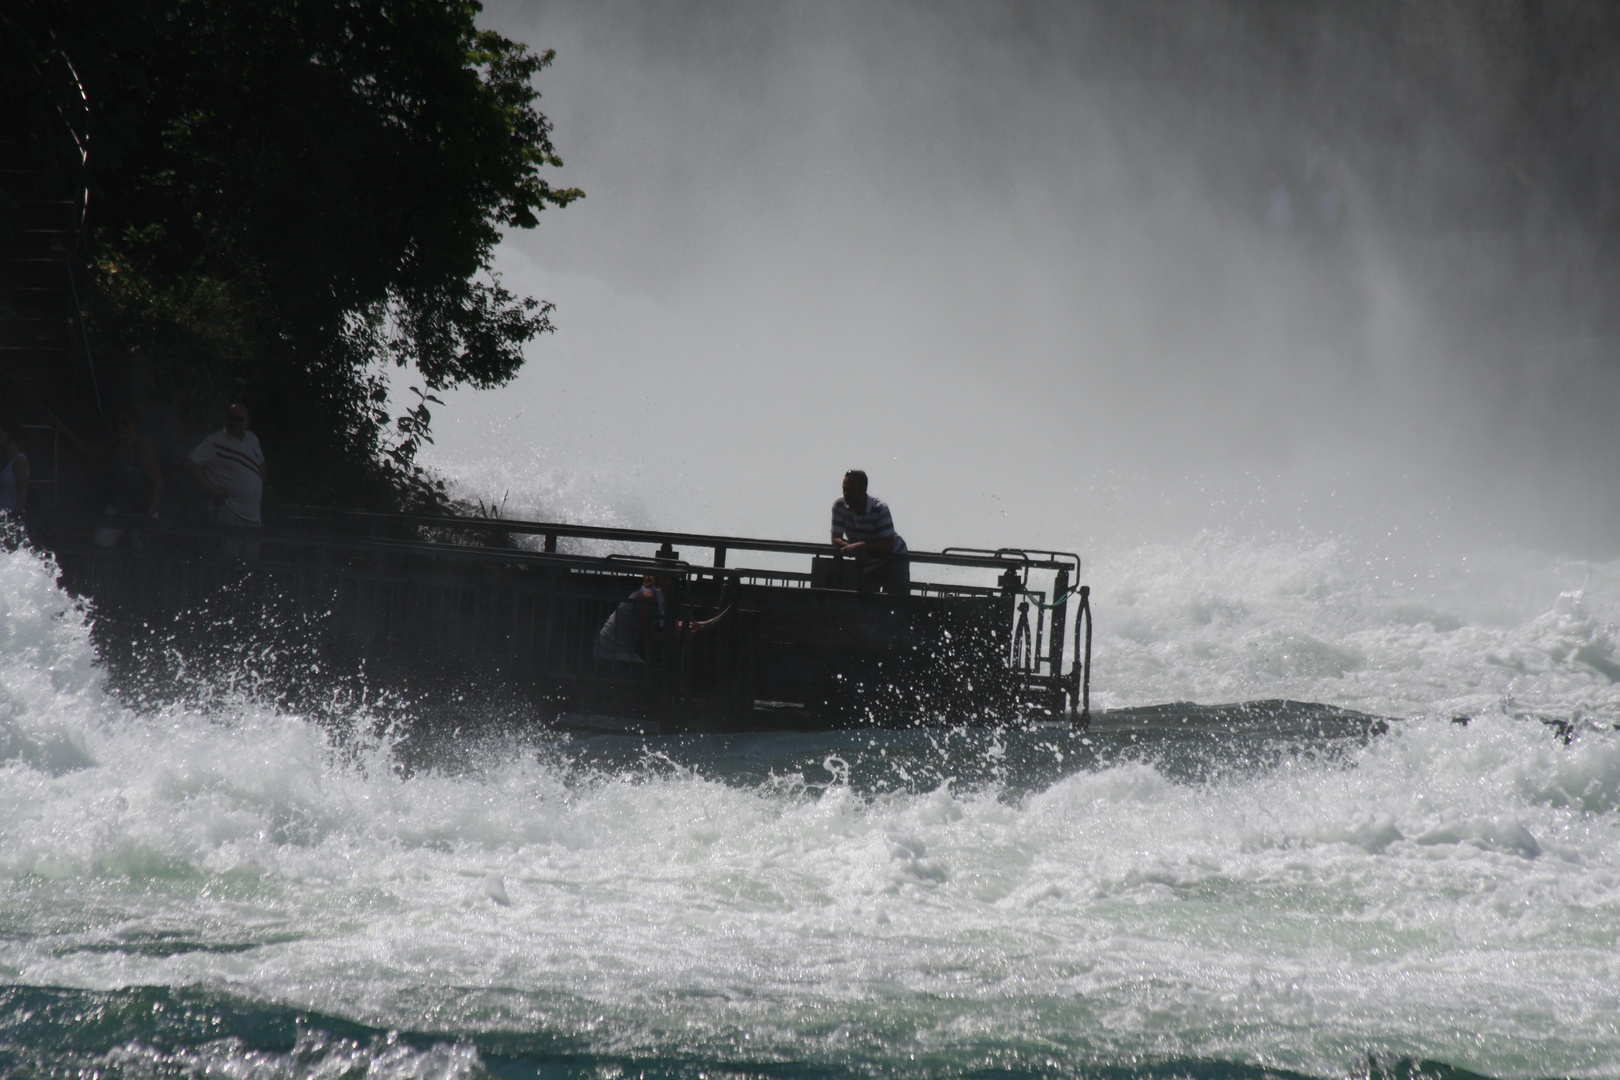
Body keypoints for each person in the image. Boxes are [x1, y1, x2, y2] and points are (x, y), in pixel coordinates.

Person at [54, 408, 164, 546]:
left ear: (135, 426)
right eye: (117, 423)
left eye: (125, 423)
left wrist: (150, 511)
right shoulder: (116, 446)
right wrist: (65, 431)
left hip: (141, 507)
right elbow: (92, 451)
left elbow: (158, 481)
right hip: (119, 505)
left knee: (142, 547)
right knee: (101, 539)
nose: (120, 427)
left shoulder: (142, 448)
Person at [186, 403, 265, 556]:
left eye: (239, 419)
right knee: (228, 558)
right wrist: (210, 488)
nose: (235, 423)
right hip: (231, 510)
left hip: (254, 513)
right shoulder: (214, 441)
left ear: (247, 421)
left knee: (251, 561)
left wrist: (258, 486)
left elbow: (261, 463)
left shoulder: (253, 439)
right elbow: (191, 462)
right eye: (231, 419)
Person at [830, 469, 908, 594]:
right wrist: (852, 548)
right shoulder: (839, 506)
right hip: (866, 558)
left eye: (851, 490)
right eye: (844, 489)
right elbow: (836, 538)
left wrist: (861, 546)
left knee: (894, 599)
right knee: (865, 598)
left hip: (893, 556)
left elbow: (888, 544)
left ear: (863, 490)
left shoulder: (879, 509)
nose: (846, 494)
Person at [0, 419, 29, 518]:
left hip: (13, 517)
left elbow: (23, 493)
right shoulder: (5, 460)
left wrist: (15, 515)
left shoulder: (19, 461)